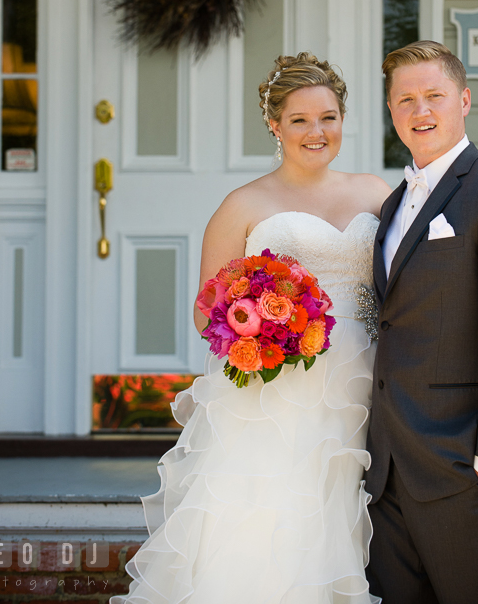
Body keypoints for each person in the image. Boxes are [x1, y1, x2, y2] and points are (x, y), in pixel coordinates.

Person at [112, 52, 390, 604]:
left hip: (370, 385)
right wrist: (260, 335)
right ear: (274, 125)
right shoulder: (244, 205)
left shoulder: (376, 195)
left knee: (347, 516)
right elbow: (206, 311)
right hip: (279, 396)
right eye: (300, 120)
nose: (317, 132)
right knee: (277, 519)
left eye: (329, 117)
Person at [364, 41, 478, 604]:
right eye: (405, 100)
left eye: (434, 96)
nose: (421, 112)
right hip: (389, 469)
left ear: (464, 100)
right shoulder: (395, 203)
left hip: (463, 467)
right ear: (392, 111)